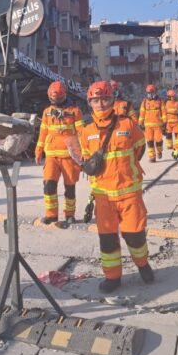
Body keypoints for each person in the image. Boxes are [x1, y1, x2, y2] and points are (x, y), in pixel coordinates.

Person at [80, 81, 153, 293]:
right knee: (108, 239)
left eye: (105, 99)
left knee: (135, 234)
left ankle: (142, 264)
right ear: (90, 103)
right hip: (103, 196)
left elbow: (140, 148)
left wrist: (126, 171)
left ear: (112, 100)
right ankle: (112, 277)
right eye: (95, 100)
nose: (100, 104)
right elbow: (86, 159)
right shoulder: (86, 131)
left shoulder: (128, 125)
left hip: (129, 192)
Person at [34, 81, 84, 226]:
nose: (55, 102)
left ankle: (70, 215)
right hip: (51, 156)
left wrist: (84, 154)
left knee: (69, 188)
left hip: (69, 156)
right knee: (49, 185)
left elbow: (81, 133)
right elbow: (43, 132)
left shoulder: (75, 111)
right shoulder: (47, 112)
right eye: (52, 100)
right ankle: (51, 215)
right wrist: (38, 150)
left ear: (64, 96)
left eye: (57, 100)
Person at [138, 84, 166, 162]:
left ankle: (159, 151)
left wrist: (165, 122)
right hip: (148, 126)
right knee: (149, 142)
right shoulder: (144, 102)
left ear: (155, 92)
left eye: (152, 93)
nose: (150, 95)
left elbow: (163, 112)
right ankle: (152, 157)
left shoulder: (160, 102)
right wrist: (140, 123)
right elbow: (142, 113)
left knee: (158, 141)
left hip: (158, 125)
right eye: (149, 93)